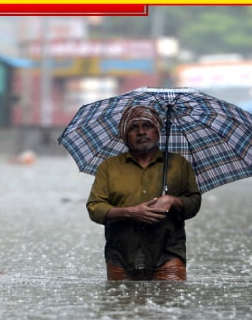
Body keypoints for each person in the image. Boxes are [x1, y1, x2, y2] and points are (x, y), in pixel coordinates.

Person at [86, 105, 202, 281]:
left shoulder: (179, 165)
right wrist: (131, 212)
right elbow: (95, 208)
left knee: (171, 304)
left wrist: (172, 201)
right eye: (133, 128)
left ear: (158, 131)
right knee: (121, 306)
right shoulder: (109, 167)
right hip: (121, 255)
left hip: (168, 253)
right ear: (125, 136)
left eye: (147, 126)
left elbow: (194, 203)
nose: (141, 132)